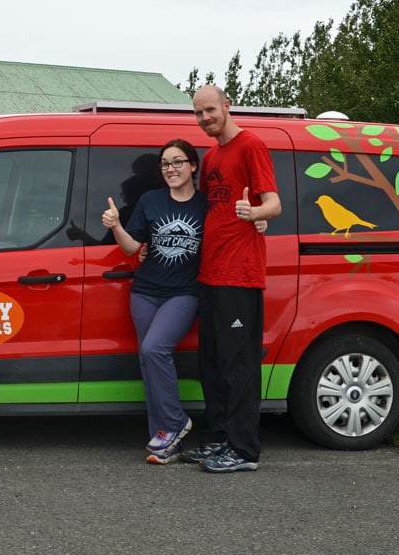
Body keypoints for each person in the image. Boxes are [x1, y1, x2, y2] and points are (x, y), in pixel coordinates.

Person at [182, 85, 281, 473]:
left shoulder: (251, 145)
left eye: (210, 110)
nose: (204, 118)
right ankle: (218, 439)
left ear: (227, 106)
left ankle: (243, 451)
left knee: (239, 366)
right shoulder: (210, 155)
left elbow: (274, 203)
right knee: (213, 363)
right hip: (211, 274)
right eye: (198, 113)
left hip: (240, 275)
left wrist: (255, 213)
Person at [101, 139, 204, 464]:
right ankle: (165, 441)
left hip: (184, 293)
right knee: (149, 363)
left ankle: (175, 422)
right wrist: (116, 225)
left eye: (177, 162)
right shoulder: (151, 200)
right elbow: (132, 248)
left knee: (154, 349)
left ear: (192, 166)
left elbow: (231, 232)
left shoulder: (206, 205)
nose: (171, 169)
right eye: (165, 164)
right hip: (145, 291)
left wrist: (259, 220)